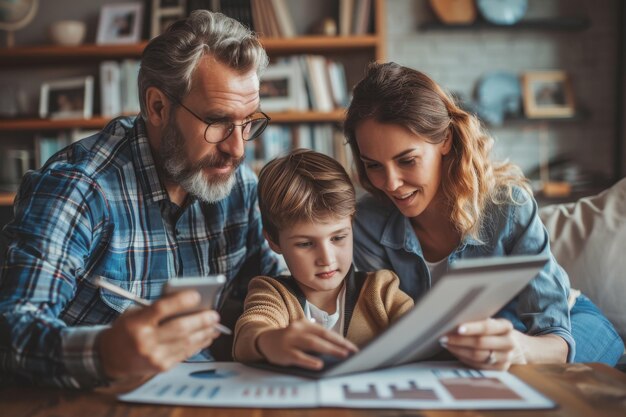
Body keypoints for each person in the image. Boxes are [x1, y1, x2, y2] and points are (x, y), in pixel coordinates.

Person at [0, 11, 282, 388]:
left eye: (248, 122)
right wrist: (104, 353)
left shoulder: (238, 186)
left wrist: (277, 325)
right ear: (157, 107)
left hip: (209, 392)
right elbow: (14, 329)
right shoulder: (80, 188)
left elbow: (270, 283)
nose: (237, 149)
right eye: (217, 122)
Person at [344, 62, 624, 370]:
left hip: (566, 327)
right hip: (467, 354)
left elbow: (555, 338)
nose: (391, 184)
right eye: (374, 165)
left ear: (445, 140)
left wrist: (518, 347)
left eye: (407, 161)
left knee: (533, 381)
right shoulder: (367, 223)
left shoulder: (508, 206)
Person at [232, 149, 414, 370]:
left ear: (352, 226)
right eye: (305, 244)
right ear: (273, 241)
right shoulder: (272, 293)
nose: (326, 259)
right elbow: (248, 333)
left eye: (338, 237)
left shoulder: (382, 290)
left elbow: (421, 330)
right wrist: (269, 341)